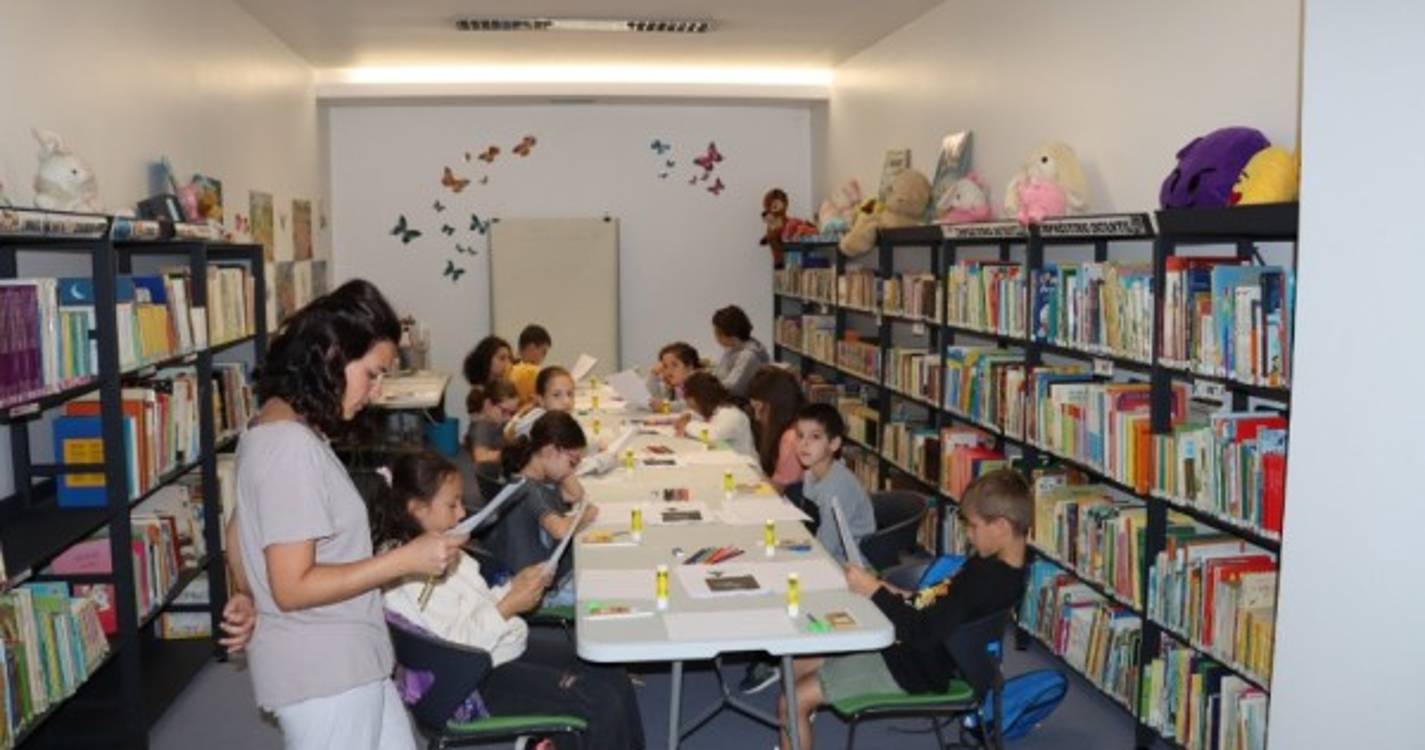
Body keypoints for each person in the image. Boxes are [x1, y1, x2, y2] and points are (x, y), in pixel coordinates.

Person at [225, 279, 468, 750]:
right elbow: (293, 588)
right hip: (324, 673)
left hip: (348, 658)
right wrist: (404, 560)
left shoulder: (273, 423)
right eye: (372, 374)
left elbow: (239, 528)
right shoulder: (290, 447)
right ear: (334, 354)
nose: (375, 392)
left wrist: (247, 592)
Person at [368, 450, 645, 750]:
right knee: (599, 700)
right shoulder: (408, 574)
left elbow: (476, 604)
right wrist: (509, 605)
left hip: (495, 650)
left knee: (608, 672)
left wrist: (515, 586)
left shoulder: (438, 546)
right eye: (452, 504)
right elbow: (457, 648)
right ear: (417, 509)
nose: (461, 513)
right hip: (464, 684)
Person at [776, 470, 1032, 750]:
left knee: (792, 700)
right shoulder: (996, 568)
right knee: (797, 664)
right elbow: (935, 602)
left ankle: (801, 716)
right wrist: (882, 588)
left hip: (911, 667)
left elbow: (921, 631)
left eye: (973, 526)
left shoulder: (986, 581)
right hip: (914, 648)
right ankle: (802, 724)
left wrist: (874, 592)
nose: (969, 535)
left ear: (1001, 526)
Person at [485, 411, 599, 607]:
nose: (572, 469)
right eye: (572, 463)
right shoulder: (528, 489)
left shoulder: (540, 480)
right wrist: (586, 514)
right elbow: (560, 530)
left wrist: (565, 466)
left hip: (552, 579)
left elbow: (575, 495)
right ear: (550, 450)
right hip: (543, 591)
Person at [794, 403, 875, 564]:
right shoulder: (810, 473)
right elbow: (810, 523)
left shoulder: (837, 488)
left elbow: (826, 548)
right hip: (823, 552)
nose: (804, 444)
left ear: (834, 444)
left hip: (848, 565)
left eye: (815, 437)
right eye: (800, 435)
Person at [455, 379, 519, 510]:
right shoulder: (482, 427)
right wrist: (511, 453)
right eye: (505, 411)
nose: (508, 418)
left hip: (491, 477)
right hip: (488, 486)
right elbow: (481, 456)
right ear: (488, 405)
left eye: (512, 413)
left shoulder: (495, 421)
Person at [673, 371, 756, 460]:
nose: (688, 404)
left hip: (745, 464)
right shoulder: (714, 411)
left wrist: (687, 425)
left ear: (700, 398)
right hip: (728, 459)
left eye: (689, 399)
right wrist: (687, 416)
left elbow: (714, 435)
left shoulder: (731, 414)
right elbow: (697, 417)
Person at [747, 366, 805, 490]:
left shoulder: (790, 438)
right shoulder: (795, 424)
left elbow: (779, 489)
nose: (757, 417)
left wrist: (753, 476)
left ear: (776, 405)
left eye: (760, 408)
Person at [710, 305, 769, 398]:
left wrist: (707, 386)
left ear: (729, 334)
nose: (715, 336)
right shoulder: (733, 348)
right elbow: (718, 374)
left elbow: (731, 388)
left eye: (717, 332)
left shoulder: (748, 356)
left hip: (741, 402)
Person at [645, 341, 700, 413]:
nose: (669, 371)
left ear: (689, 367)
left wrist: (665, 406)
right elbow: (654, 400)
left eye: (674, 365)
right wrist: (653, 374)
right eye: (665, 366)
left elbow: (691, 405)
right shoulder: (674, 388)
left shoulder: (700, 384)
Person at [509, 324, 553, 405]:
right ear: (532, 348)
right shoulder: (531, 372)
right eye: (543, 352)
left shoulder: (509, 369)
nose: (543, 357)